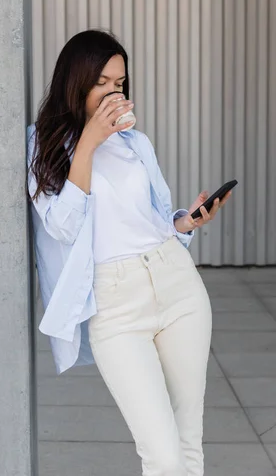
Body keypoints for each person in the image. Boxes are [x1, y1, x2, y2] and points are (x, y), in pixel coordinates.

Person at [27, 29, 232, 476]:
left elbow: (150, 221)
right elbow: (62, 225)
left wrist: (186, 221)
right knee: (160, 454)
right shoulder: (42, 146)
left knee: (187, 445)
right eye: (101, 81)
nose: (112, 92)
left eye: (118, 83)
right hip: (115, 303)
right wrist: (89, 139)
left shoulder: (135, 143)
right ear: (75, 81)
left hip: (175, 282)